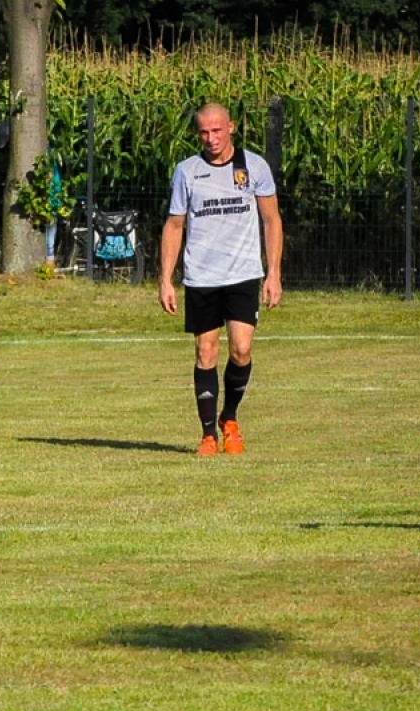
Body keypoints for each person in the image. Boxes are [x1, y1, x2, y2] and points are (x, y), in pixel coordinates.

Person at [158, 102, 284, 456]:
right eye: (203, 132)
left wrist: (273, 273)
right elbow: (174, 225)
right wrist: (165, 279)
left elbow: (272, 220)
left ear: (231, 127)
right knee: (206, 351)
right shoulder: (187, 171)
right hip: (201, 277)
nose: (211, 138)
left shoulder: (253, 166)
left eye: (217, 130)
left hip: (244, 273)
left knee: (241, 349)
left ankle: (230, 418)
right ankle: (209, 434)